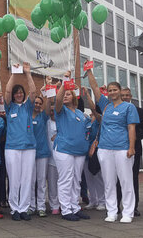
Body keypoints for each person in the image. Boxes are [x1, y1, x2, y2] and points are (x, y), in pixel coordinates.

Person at [87, 67, 140, 223]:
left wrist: (131, 147)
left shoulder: (129, 107)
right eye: (109, 90)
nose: (112, 92)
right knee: (109, 182)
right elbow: (95, 88)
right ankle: (112, 212)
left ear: (119, 91)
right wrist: (89, 72)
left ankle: (128, 213)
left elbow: (131, 128)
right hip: (104, 149)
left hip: (122, 149)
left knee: (126, 181)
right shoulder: (105, 105)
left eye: (114, 90)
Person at [54, 80, 91, 221]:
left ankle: (75, 207)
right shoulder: (61, 110)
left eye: (68, 94)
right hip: (64, 150)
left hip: (79, 151)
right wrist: (64, 84)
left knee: (77, 180)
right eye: (64, 94)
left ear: (74, 97)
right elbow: (57, 99)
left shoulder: (81, 114)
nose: (65, 96)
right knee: (65, 180)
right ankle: (66, 209)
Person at [4, 62, 37, 221]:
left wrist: (28, 73)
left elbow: (33, 91)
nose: (18, 94)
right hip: (12, 148)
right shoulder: (9, 107)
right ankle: (14, 209)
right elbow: (8, 90)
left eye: (20, 92)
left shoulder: (28, 107)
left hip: (29, 148)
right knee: (14, 179)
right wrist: (14, 74)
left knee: (27, 179)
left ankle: (24, 208)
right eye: (16, 93)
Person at [117, 87, 143, 217]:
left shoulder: (138, 111)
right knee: (117, 179)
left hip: (134, 149)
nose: (125, 97)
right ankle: (116, 206)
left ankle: (133, 207)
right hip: (118, 148)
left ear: (131, 97)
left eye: (127, 95)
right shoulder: (114, 109)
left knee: (132, 178)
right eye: (122, 95)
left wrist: (133, 137)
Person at [82, 88, 105, 211]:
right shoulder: (86, 120)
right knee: (89, 178)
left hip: (96, 153)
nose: (92, 113)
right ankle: (93, 200)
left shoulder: (100, 120)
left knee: (98, 178)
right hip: (86, 154)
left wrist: (87, 96)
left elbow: (93, 108)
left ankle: (102, 201)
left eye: (94, 111)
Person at [29, 95, 51, 217]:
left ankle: (41, 206)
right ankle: (31, 206)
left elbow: (48, 107)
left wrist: (48, 91)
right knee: (31, 181)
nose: (37, 105)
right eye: (35, 103)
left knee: (41, 181)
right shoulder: (26, 116)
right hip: (29, 152)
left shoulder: (43, 116)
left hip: (42, 152)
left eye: (39, 103)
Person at [46, 105, 60, 215]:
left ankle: (63, 203)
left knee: (64, 182)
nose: (52, 112)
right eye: (51, 111)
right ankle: (54, 205)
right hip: (50, 158)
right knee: (52, 183)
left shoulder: (63, 122)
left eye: (54, 110)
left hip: (63, 157)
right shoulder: (47, 123)